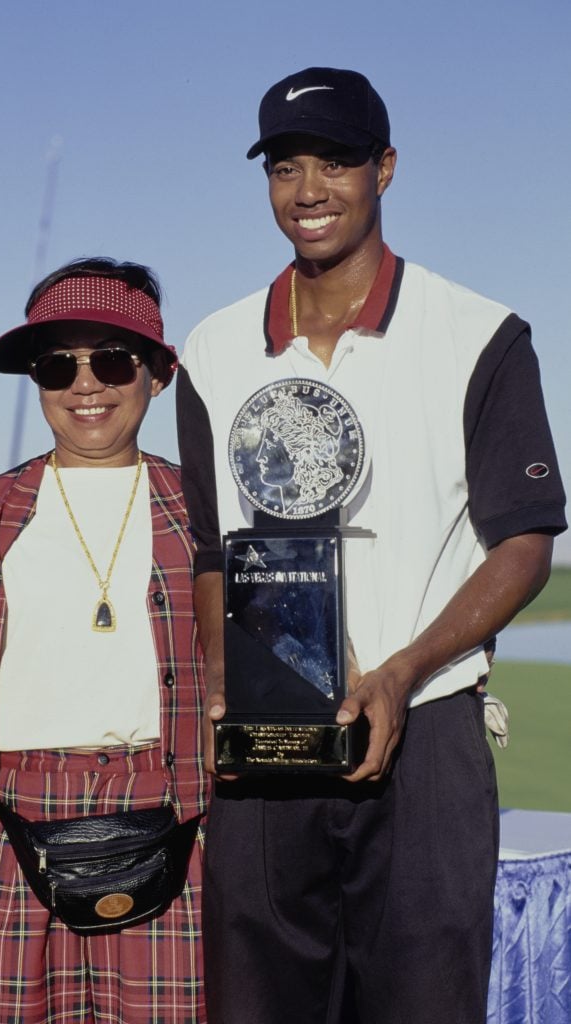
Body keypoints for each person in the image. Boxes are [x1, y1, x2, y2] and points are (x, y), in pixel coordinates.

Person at [176, 68, 567, 1023]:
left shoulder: (479, 333)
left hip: (426, 722)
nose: (307, 190)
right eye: (283, 166)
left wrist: (400, 671)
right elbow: (209, 552)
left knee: (422, 1001)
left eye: (336, 162)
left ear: (384, 169)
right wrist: (225, 678)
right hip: (266, 743)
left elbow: (521, 543)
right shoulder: (213, 348)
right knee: (258, 1002)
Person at [0, 257, 208, 1024]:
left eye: (111, 359)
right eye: (55, 365)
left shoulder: (207, 515)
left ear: (158, 374)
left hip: (174, 826)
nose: (85, 385)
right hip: (14, 830)